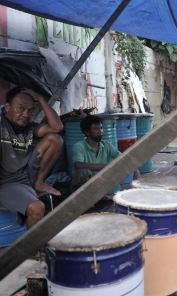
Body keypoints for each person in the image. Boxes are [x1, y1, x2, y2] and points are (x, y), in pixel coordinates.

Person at [0, 87, 64, 229]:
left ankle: (39, 182)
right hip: (9, 182)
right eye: (21, 108)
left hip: (29, 173)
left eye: (30, 110)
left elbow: (57, 127)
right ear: (8, 107)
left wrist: (40, 99)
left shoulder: (30, 127)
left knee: (55, 139)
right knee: (37, 208)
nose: (25, 114)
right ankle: (33, 248)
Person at [71, 115, 140, 193]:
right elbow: (78, 165)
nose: (100, 131)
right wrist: (104, 166)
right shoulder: (79, 146)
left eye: (101, 128)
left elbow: (123, 158)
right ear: (87, 132)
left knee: (122, 166)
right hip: (84, 188)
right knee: (84, 173)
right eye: (96, 129)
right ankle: (96, 199)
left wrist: (136, 171)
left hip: (101, 182)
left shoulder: (106, 144)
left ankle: (104, 196)